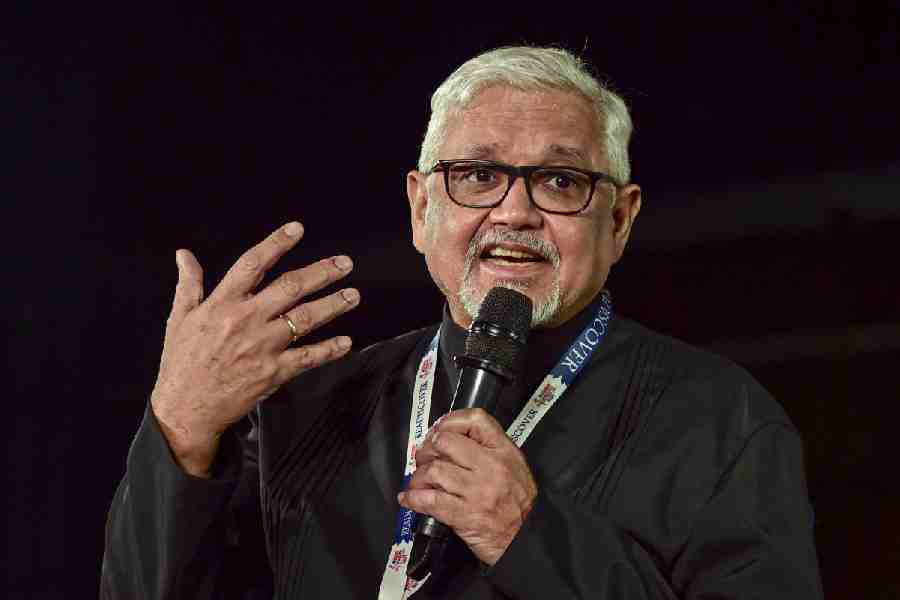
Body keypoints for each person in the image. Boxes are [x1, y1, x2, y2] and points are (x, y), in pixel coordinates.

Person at [101, 46, 823, 599]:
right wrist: (181, 430)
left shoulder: (720, 419)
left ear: (621, 220)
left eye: (561, 181)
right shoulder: (307, 410)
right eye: (478, 175)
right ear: (422, 209)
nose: (515, 212)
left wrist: (529, 538)